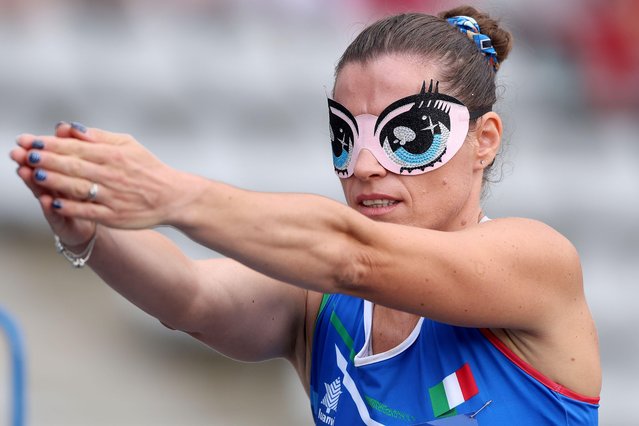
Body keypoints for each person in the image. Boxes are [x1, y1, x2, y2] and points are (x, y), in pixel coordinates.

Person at [10, 5, 600, 425]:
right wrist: (90, 224)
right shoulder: (320, 303)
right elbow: (189, 296)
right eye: (346, 136)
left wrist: (170, 193)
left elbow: (353, 256)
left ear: (485, 140)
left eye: (408, 134)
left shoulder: (535, 260)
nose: (365, 165)